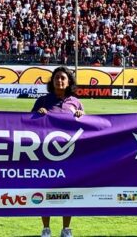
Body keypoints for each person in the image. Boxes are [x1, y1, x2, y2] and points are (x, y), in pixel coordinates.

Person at [31, 66, 84, 237]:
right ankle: (46, 228)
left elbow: (85, 128)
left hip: (69, 155)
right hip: (46, 155)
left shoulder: (75, 102)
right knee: (46, 190)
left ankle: (66, 228)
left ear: (69, 82)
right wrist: (38, 115)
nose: (59, 81)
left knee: (68, 191)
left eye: (63, 78)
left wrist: (82, 114)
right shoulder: (43, 101)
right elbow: (25, 125)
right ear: (52, 81)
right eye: (56, 78)